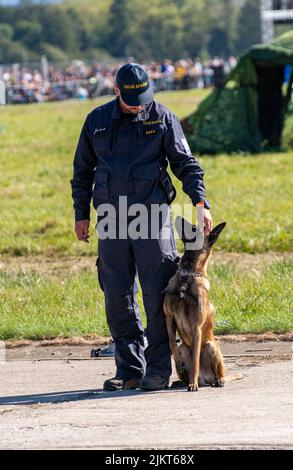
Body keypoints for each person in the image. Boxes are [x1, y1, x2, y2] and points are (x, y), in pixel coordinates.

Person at [70, 63, 212, 391]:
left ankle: (158, 370)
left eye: (143, 98)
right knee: (117, 294)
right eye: (131, 98)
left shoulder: (161, 117)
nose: (138, 104)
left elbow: (186, 164)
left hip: (152, 217)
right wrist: (81, 214)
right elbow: (82, 171)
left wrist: (200, 203)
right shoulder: (97, 121)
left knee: (156, 293)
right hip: (110, 217)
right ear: (117, 90)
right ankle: (130, 368)